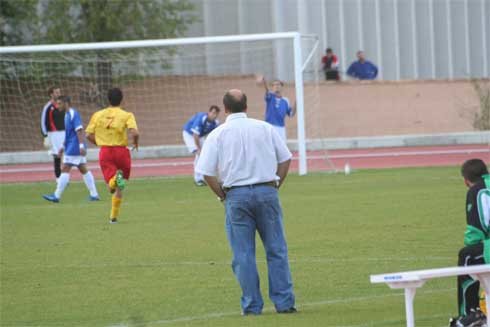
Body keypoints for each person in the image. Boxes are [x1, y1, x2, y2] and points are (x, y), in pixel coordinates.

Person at [196, 89, 296, 316]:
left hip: (236, 195)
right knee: (276, 249)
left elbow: (205, 172)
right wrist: (276, 183)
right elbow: (286, 158)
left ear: (226, 108)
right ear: (247, 107)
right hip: (266, 190)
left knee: (243, 254)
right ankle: (284, 302)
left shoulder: (218, 134)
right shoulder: (265, 128)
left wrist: (222, 194)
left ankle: (252, 305)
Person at [86, 88, 139, 224]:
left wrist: (99, 143)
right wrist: (135, 143)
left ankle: (113, 180)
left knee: (112, 183)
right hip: (121, 152)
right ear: (121, 99)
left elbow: (88, 135)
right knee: (120, 185)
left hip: (106, 152)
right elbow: (135, 133)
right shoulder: (127, 115)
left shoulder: (97, 115)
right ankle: (113, 217)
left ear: (108, 99)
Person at [449, 159, 489, 327]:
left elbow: (476, 226)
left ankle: (470, 313)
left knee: (466, 256)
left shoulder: (476, 190)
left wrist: (470, 244)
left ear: (466, 180)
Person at [42, 96, 99, 203]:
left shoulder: (73, 114)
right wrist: (62, 147)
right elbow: (68, 134)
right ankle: (94, 194)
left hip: (74, 147)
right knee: (83, 169)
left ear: (66, 103)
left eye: (59, 103)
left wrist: (81, 146)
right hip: (71, 146)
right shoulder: (66, 115)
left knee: (65, 168)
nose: (57, 106)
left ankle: (56, 196)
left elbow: (79, 130)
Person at [182, 105, 220, 186]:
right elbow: (195, 134)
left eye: (216, 114)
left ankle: (203, 177)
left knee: (204, 155)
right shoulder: (201, 118)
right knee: (199, 154)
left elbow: (216, 135)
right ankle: (198, 179)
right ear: (209, 112)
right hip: (189, 134)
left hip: (200, 136)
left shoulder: (215, 123)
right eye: (213, 113)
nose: (214, 115)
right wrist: (198, 148)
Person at [259, 76, 296, 142]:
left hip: (281, 128)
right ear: (272, 87)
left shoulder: (285, 100)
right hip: (269, 126)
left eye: (278, 84)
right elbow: (267, 91)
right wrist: (264, 83)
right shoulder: (270, 96)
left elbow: (291, 114)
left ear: (282, 87)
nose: (276, 86)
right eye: (274, 85)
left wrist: (296, 103)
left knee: (282, 149)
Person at [40, 86, 64, 181]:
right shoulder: (48, 107)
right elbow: (43, 122)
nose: (59, 94)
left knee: (67, 155)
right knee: (57, 155)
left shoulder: (63, 105)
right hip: (54, 134)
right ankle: (58, 178)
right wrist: (45, 136)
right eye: (56, 92)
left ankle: (65, 177)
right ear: (51, 94)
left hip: (64, 133)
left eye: (59, 92)